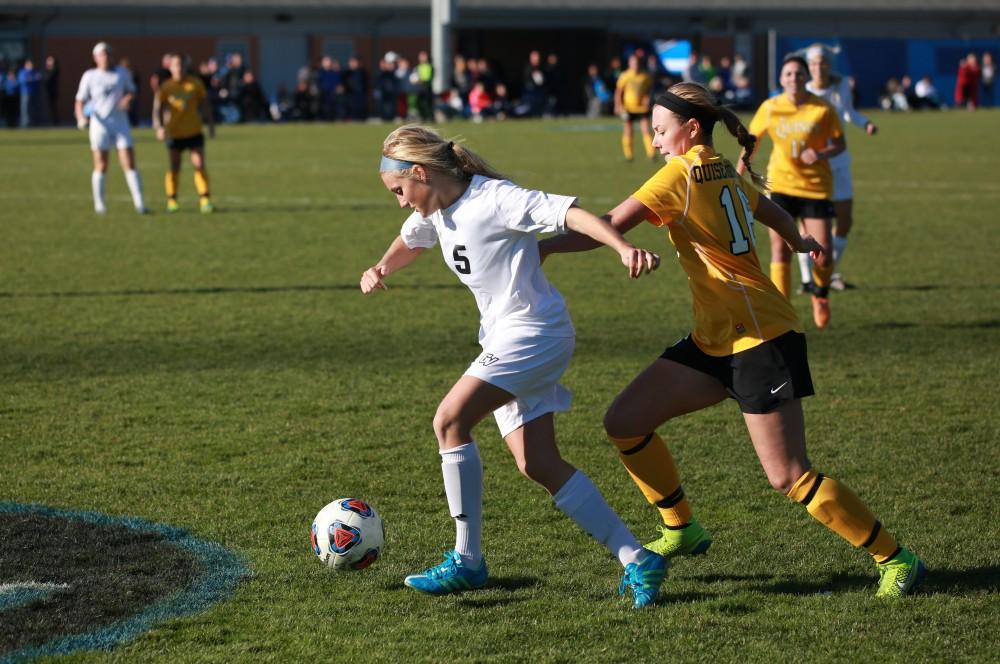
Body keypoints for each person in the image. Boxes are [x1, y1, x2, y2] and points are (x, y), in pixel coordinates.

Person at [539, 82, 926, 599]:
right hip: (716, 338)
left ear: (691, 128)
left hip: (761, 338)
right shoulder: (721, 167)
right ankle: (681, 528)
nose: (654, 141)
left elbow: (606, 225)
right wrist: (798, 239)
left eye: (660, 130)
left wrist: (539, 248)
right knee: (625, 421)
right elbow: (769, 210)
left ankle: (896, 558)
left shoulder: (681, 172)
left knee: (788, 475)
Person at [360, 124, 668, 607]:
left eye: (400, 190)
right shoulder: (435, 208)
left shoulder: (495, 199)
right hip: (506, 337)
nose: (400, 201)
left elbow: (571, 214)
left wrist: (623, 247)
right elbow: (412, 239)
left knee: (449, 419)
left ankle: (467, 562)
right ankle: (637, 558)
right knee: (537, 462)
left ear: (421, 173)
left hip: (535, 333)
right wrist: (380, 267)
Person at [743, 55, 844, 328]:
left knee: (823, 255)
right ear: (781, 79)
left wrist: (820, 152)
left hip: (815, 188)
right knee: (780, 251)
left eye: (799, 74)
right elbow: (751, 142)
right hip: (781, 186)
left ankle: (820, 295)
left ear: (806, 77)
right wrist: (739, 174)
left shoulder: (822, 108)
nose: (793, 79)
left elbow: (840, 143)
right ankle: (781, 316)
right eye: (788, 74)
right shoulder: (771, 107)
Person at [800, 44, 877, 293]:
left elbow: (848, 113)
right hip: (812, 165)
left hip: (839, 161)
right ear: (808, 67)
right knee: (807, 224)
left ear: (828, 64)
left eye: (822, 62)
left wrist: (865, 123)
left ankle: (828, 271)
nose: (817, 67)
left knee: (844, 219)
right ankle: (806, 279)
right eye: (812, 64)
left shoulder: (841, 84)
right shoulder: (802, 89)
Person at [74, 42, 147, 215]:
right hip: (99, 125)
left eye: (107, 54)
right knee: (101, 164)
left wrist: (127, 99)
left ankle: (140, 204)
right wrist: (81, 117)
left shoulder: (122, 73)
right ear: (95, 58)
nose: (105, 57)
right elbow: (80, 101)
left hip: (120, 123)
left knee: (129, 162)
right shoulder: (89, 76)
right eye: (101, 54)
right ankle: (99, 205)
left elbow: (132, 91)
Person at [152, 53, 215, 213]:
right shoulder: (166, 87)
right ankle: (172, 200)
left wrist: (211, 125)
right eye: (175, 65)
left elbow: (205, 104)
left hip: (194, 131)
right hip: (174, 133)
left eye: (181, 64)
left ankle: (205, 199)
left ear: (185, 66)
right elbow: (158, 108)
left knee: (199, 165)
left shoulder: (195, 84)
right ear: (170, 67)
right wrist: (159, 127)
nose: (178, 68)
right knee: (175, 167)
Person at [614, 54, 656, 162]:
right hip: (628, 108)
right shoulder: (625, 75)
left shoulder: (645, 76)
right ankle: (629, 155)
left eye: (637, 63)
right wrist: (618, 105)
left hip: (642, 108)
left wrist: (647, 98)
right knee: (628, 130)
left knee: (646, 129)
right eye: (633, 63)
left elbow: (650, 89)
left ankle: (651, 154)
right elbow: (619, 91)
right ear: (629, 63)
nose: (635, 65)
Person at [16, 58, 43, 127]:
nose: (31, 66)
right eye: (29, 64)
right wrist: (32, 79)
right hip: (25, 93)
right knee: (25, 109)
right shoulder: (22, 72)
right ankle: (25, 124)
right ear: (26, 65)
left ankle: (32, 123)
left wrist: (31, 79)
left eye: (32, 64)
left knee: (33, 109)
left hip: (34, 93)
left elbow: (39, 78)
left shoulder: (34, 72)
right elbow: (23, 80)